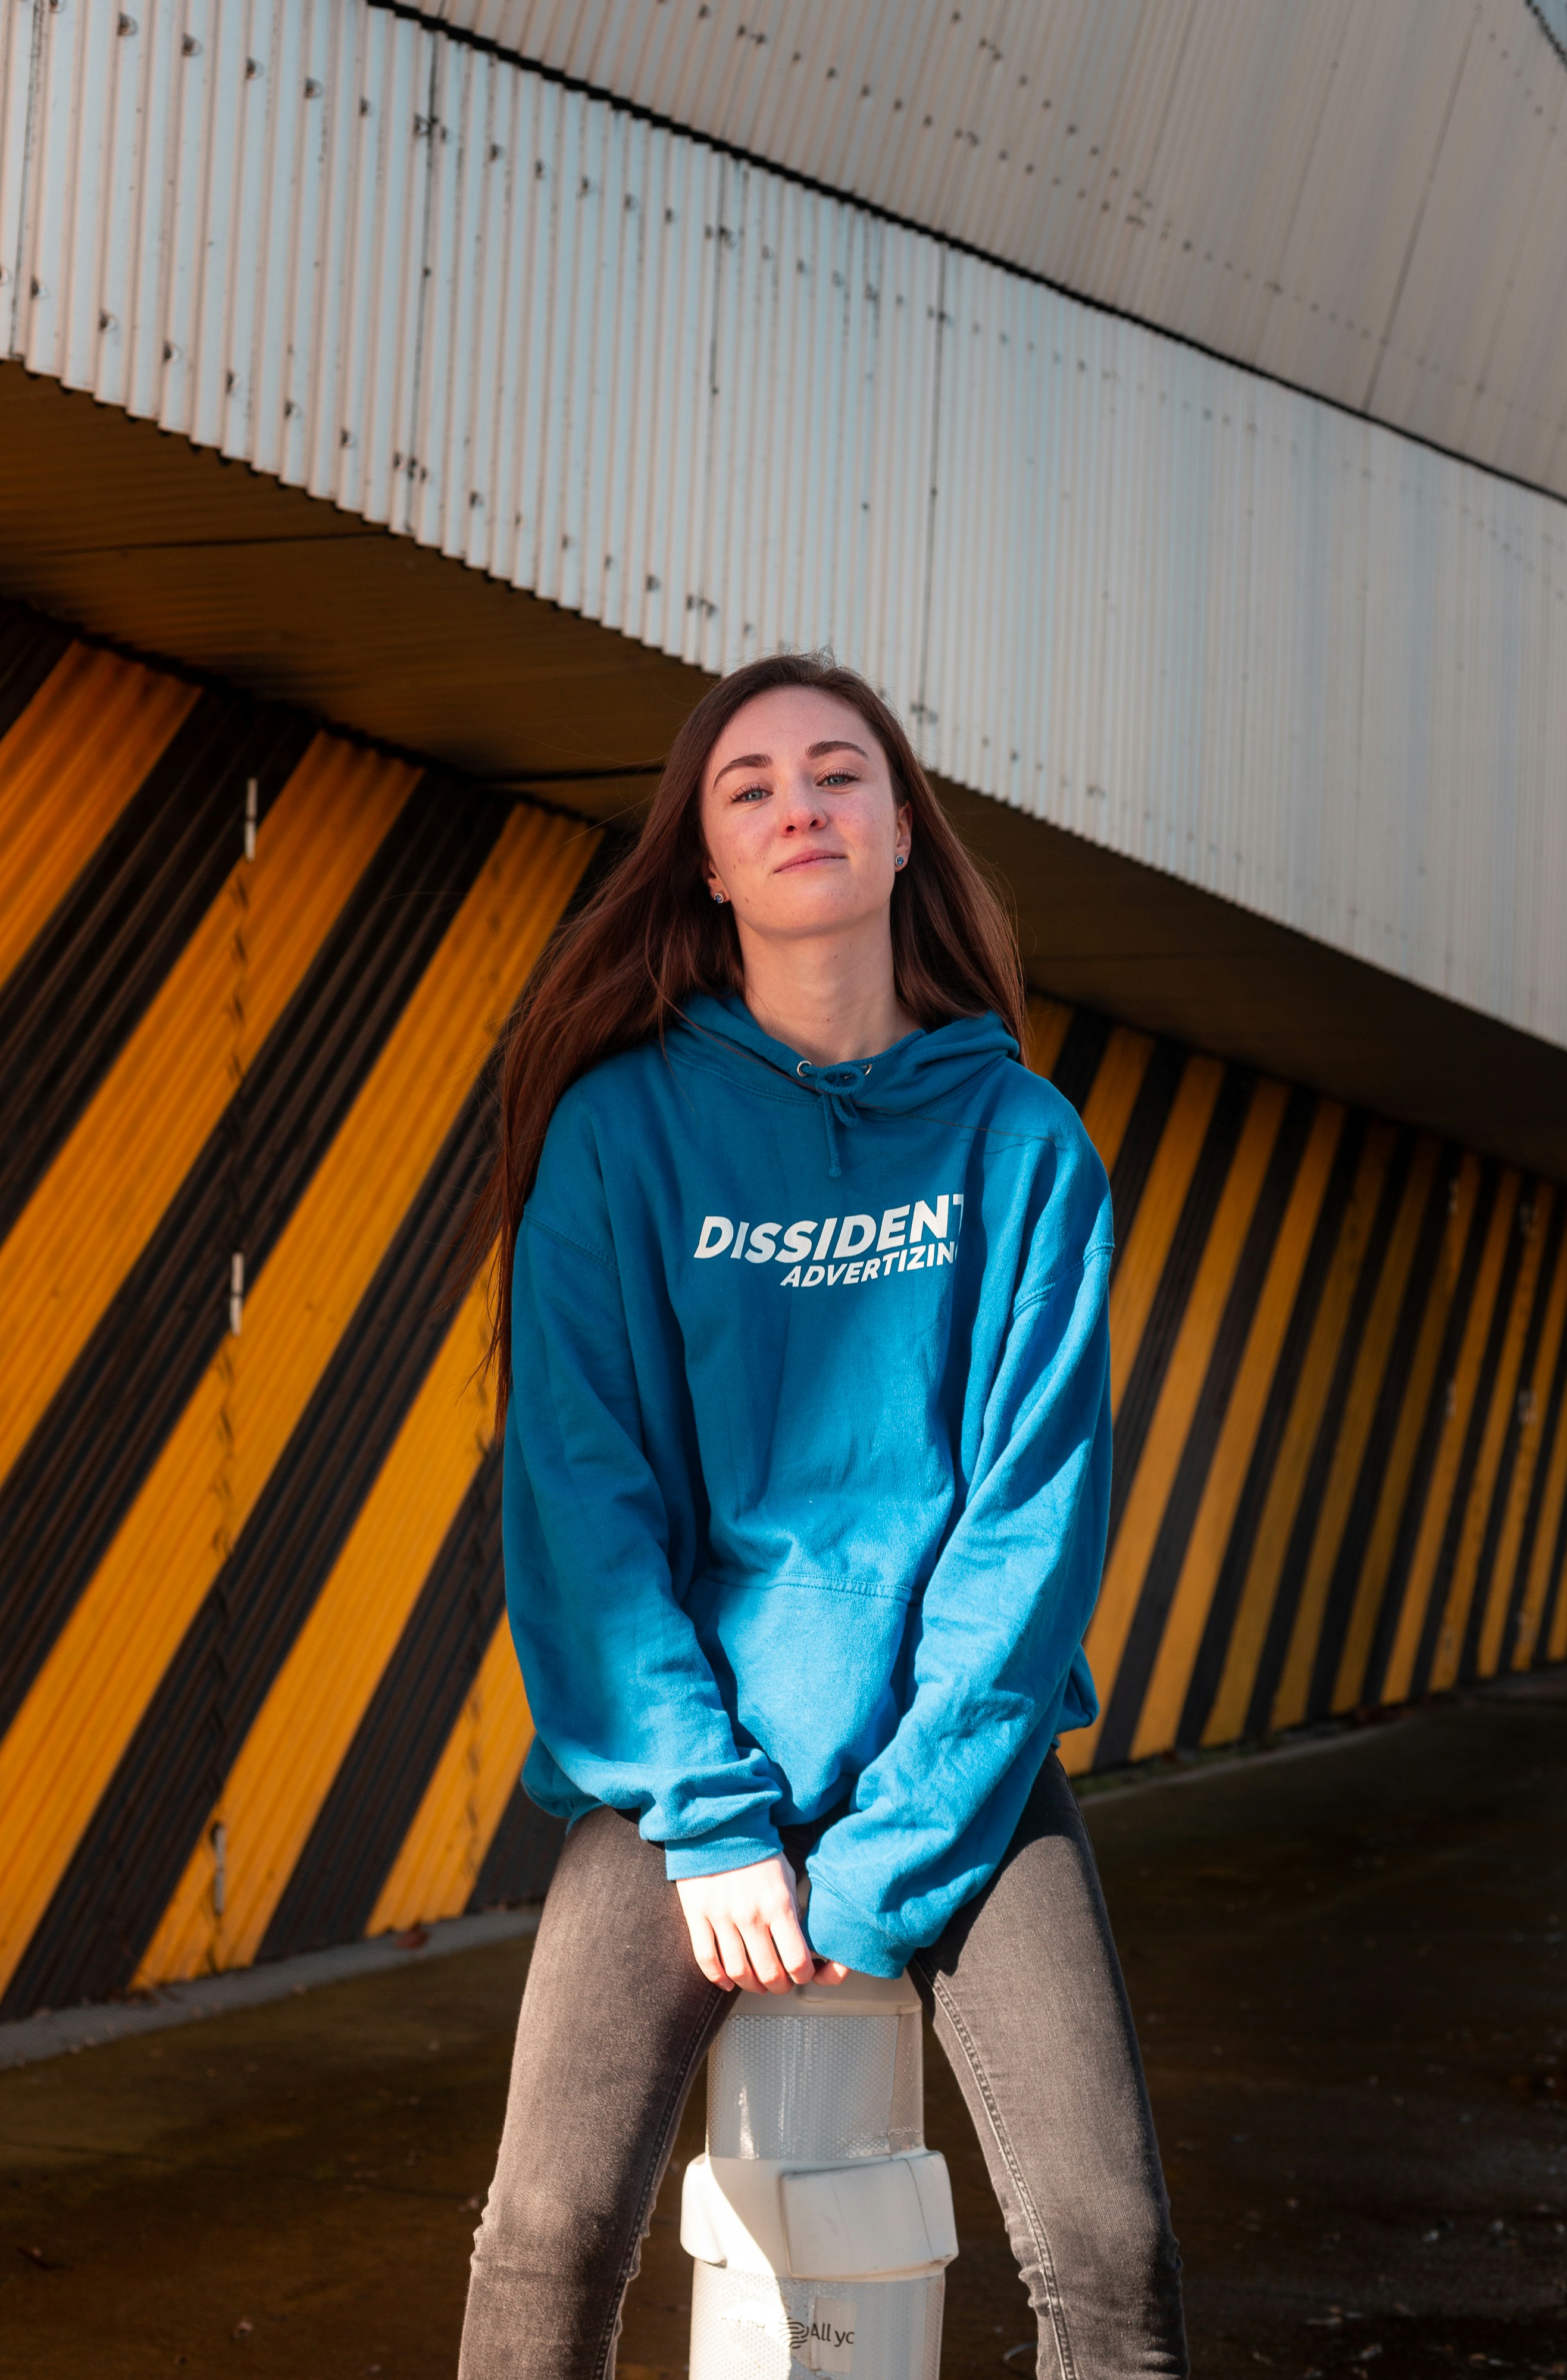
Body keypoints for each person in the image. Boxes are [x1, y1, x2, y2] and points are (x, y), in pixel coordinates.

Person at [457, 653, 1188, 2380]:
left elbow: (1029, 1532)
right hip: (684, 1775)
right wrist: (709, 1825)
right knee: (544, 2233)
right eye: (751, 785)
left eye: (839, 773)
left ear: (902, 835)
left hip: (955, 1774)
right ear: (706, 862)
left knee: (1110, 2251)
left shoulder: (1019, 1146)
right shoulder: (621, 1132)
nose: (799, 803)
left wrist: (880, 1866)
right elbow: (581, 1495)